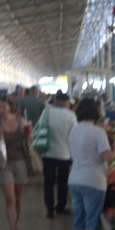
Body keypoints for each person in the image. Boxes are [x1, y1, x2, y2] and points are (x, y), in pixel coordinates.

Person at [67, 98, 115, 230]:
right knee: (92, 222)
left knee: (78, 219)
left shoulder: (74, 131)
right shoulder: (98, 132)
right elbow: (106, 156)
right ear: (95, 112)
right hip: (93, 181)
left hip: (74, 180)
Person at [0, 95, 29, 230]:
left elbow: (30, 139)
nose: (0, 109)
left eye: (3, 106)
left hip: (20, 161)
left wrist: (29, 133)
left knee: (18, 199)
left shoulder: (21, 121)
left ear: (10, 106)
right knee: (10, 199)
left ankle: (15, 226)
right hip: (4, 164)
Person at [42, 90, 77, 218]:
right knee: (63, 182)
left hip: (47, 153)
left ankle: (49, 209)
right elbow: (75, 134)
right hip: (65, 154)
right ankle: (60, 207)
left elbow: (40, 128)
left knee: (48, 182)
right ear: (65, 102)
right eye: (68, 102)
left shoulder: (47, 113)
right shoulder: (71, 116)